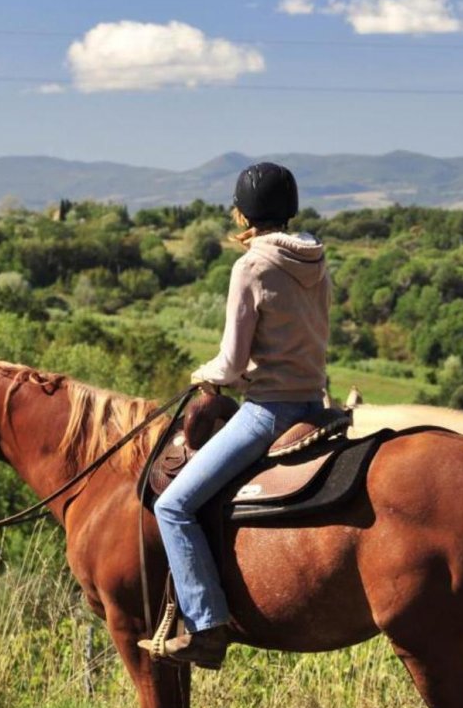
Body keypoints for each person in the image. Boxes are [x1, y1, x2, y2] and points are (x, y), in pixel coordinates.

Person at [139, 162, 331, 669]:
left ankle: (206, 626)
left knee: (174, 507)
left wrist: (208, 375)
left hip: (268, 411)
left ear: (244, 212)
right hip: (316, 402)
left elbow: (229, 361)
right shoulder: (316, 259)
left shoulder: (250, 266)